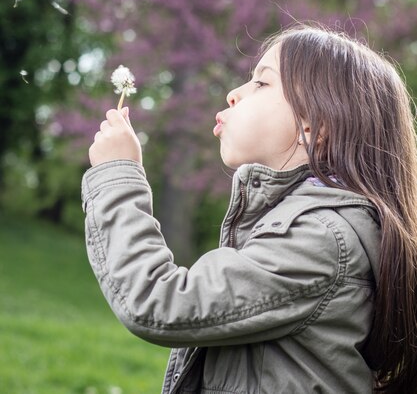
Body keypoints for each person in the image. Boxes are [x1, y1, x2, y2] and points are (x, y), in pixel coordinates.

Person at [82, 24, 417, 394]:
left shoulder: (321, 238)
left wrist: (117, 176)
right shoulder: (297, 222)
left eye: (261, 83)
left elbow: (160, 302)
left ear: (315, 125)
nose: (233, 95)